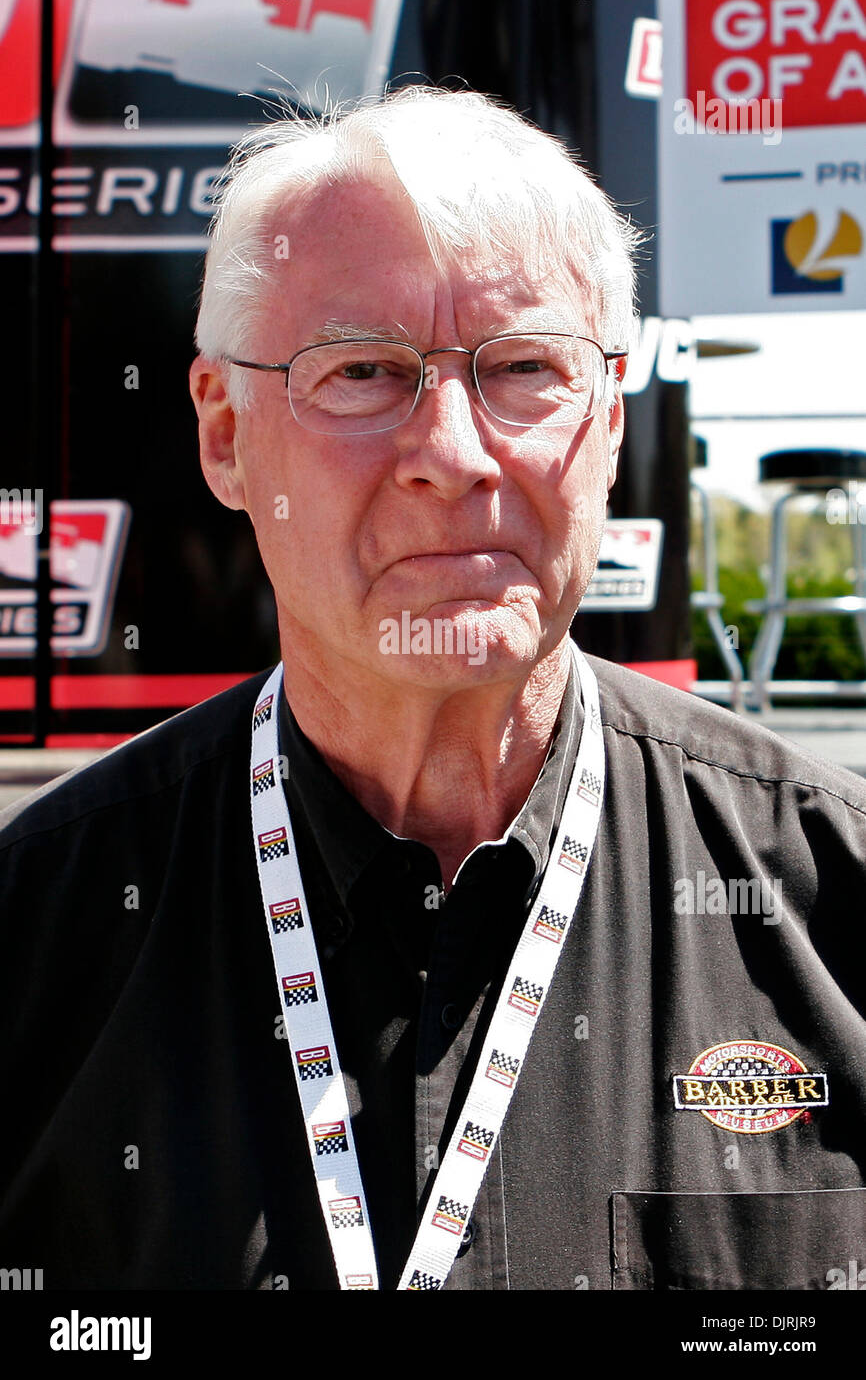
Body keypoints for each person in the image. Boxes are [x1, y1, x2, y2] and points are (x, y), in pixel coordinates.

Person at [2, 86, 866, 1293]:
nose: (453, 456)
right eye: (361, 370)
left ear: (609, 419)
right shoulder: (39, 931)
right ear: (222, 433)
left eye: (523, 367)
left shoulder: (831, 895)